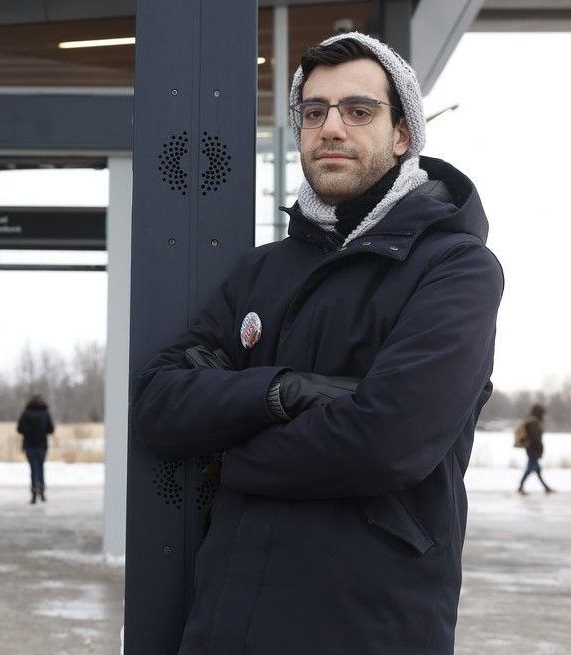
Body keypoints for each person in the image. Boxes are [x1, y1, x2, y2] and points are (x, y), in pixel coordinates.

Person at [132, 32, 503, 654]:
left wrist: (230, 456)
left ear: (403, 134)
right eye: (314, 112)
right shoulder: (260, 271)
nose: (331, 128)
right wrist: (281, 392)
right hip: (228, 624)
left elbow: (387, 441)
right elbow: (158, 404)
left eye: (358, 111)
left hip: (369, 627)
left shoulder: (456, 268)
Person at [16, 395, 54, 504]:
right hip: (42, 444)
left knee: (33, 469)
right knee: (41, 467)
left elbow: (19, 429)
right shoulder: (45, 413)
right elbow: (51, 429)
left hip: (29, 444)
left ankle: (34, 493)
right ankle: (42, 492)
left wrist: (28, 432)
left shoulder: (26, 413)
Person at [518, 404, 553, 495]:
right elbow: (535, 438)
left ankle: (546, 487)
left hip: (531, 449)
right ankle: (520, 487)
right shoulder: (533, 423)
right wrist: (539, 448)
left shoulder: (532, 421)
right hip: (533, 450)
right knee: (530, 470)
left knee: (537, 470)